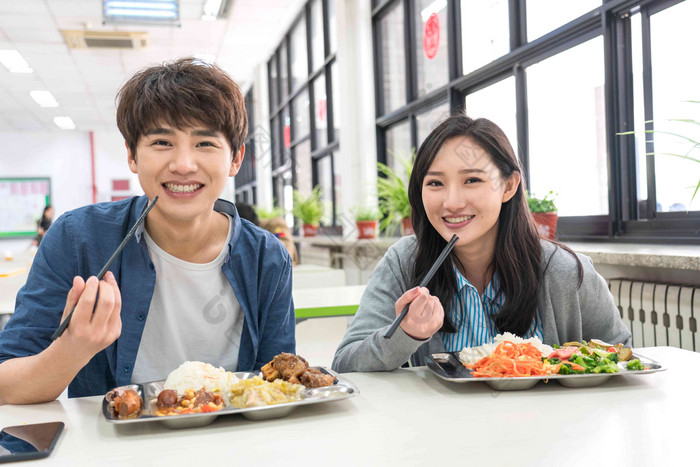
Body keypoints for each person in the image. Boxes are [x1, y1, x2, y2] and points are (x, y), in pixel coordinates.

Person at [0, 58, 295, 404]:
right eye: (161, 143)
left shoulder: (267, 258)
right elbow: (7, 383)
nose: (183, 165)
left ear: (235, 159)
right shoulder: (77, 238)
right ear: (132, 155)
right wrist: (72, 350)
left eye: (205, 144)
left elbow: (279, 385)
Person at [332, 114, 630, 372]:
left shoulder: (565, 272)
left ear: (508, 186)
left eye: (472, 180)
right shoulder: (404, 262)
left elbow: (622, 359)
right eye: (435, 183)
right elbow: (346, 364)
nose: (451, 202)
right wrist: (406, 333)